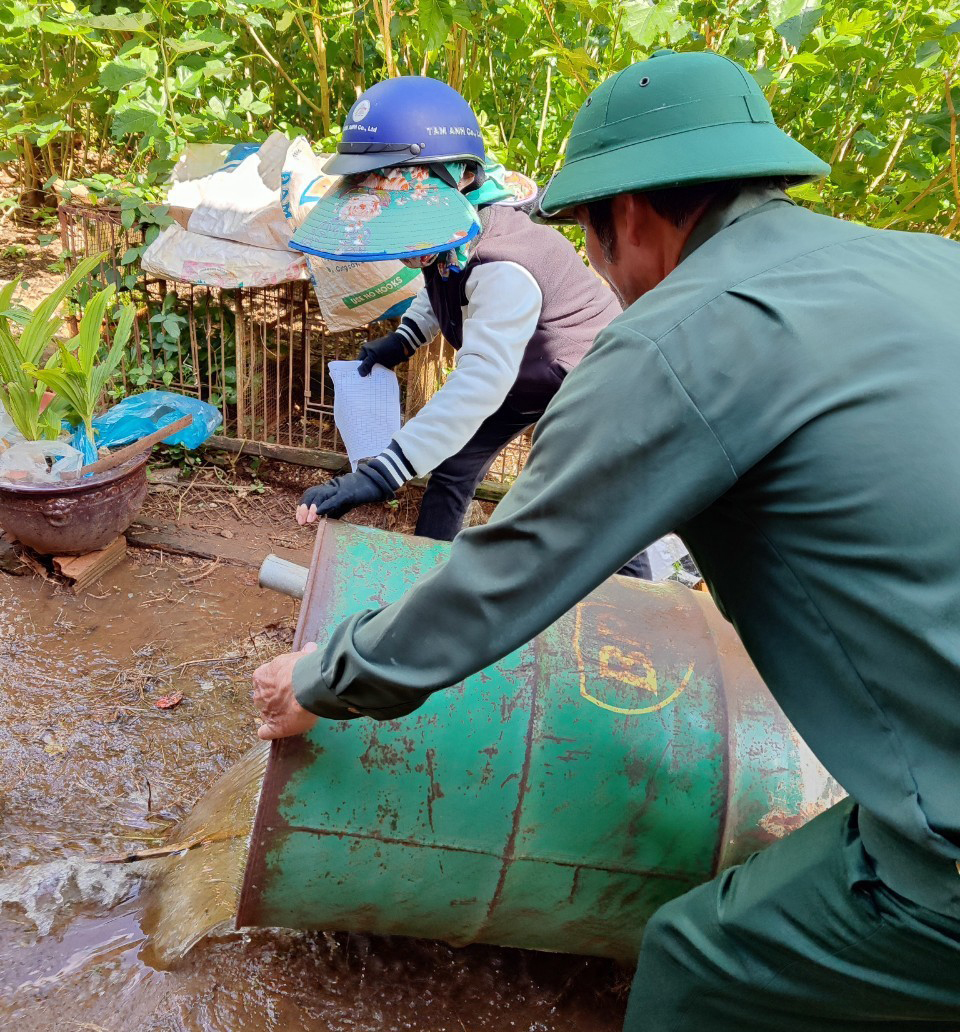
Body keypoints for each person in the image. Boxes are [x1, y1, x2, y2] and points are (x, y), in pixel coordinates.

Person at [254, 49, 960, 1030]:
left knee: (696, 960)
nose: (593, 258)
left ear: (628, 215)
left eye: (589, 233)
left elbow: (513, 568)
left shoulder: (677, 333)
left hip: (946, 830)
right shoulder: (928, 264)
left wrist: (328, 671)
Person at [288, 76, 653, 577]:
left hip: (588, 380)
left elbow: (480, 381)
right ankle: (425, 580)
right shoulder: (455, 238)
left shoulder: (506, 263)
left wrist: (380, 474)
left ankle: (641, 620)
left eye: (410, 218)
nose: (404, 244)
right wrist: (404, 339)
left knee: (600, 505)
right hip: (524, 373)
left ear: (458, 178)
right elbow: (443, 289)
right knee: (454, 468)